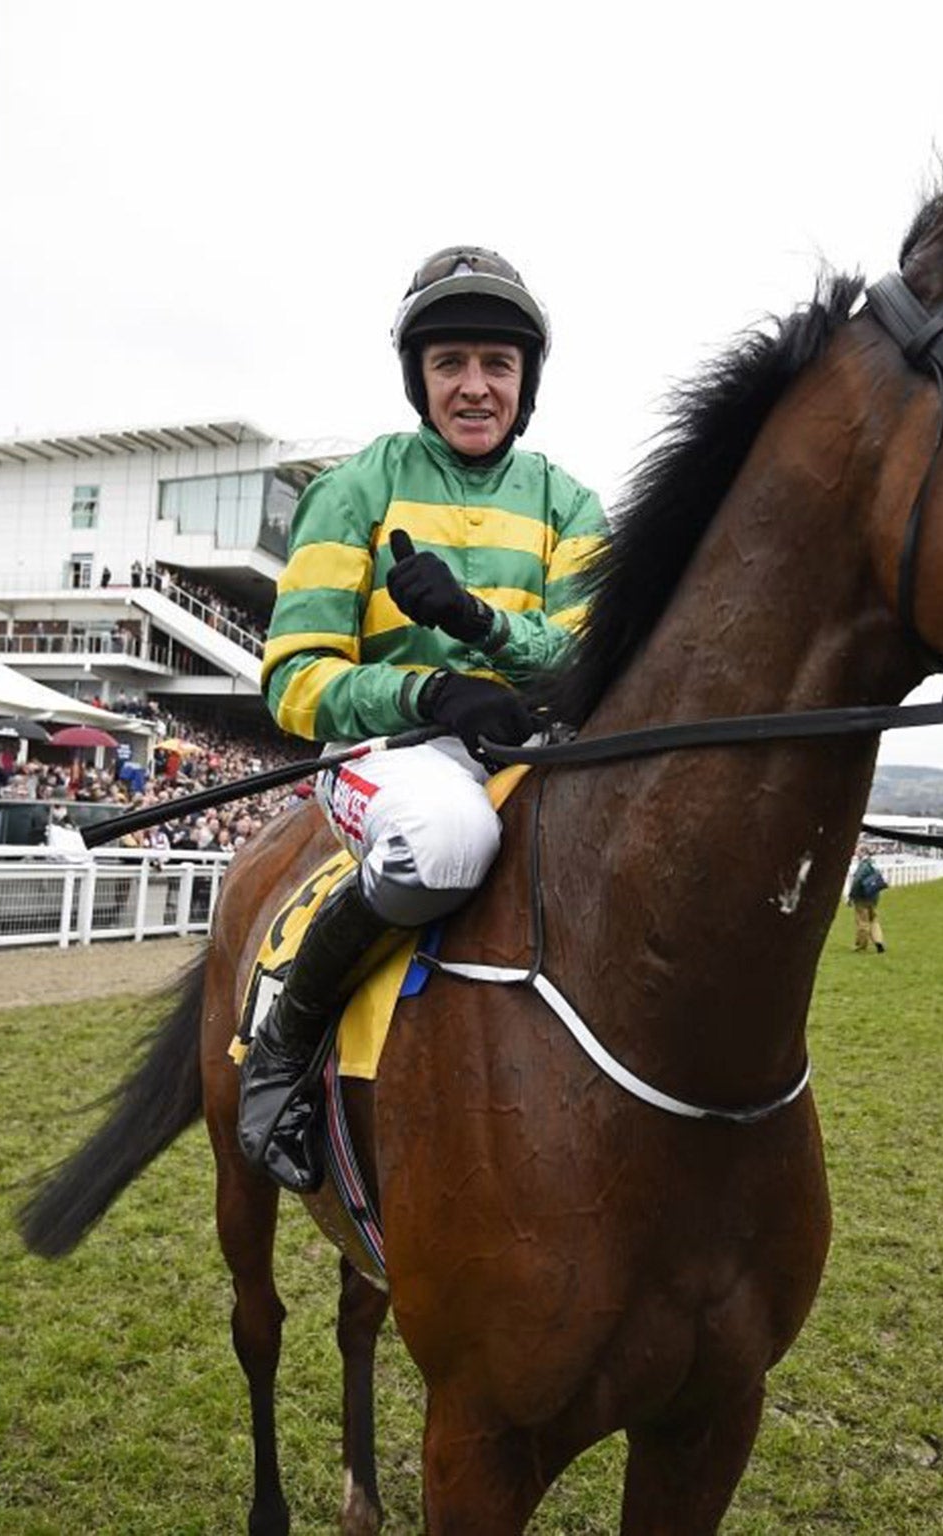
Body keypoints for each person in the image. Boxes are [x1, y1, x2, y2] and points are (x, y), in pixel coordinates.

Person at [239, 244, 608, 1193]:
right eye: (450, 364)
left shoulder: (572, 505)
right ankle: (286, 1040)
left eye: (497, 365)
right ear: (419, 378)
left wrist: (473, 624)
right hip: (387, 754)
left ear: (525, 383)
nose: (475, 387)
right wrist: (426, 693)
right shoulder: (353, 490)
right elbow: (293, 682)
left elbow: (582, 660)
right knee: (447, 840)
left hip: (536, 751)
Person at [849, 853, 889, 953]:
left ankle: (861, 945)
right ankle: (878, 941)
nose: (856, 853)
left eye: (858, 851)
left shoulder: (863, 865)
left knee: (863, 922)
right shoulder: (873, 863)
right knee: (873, 920)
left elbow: (857, 881)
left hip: (862, 898)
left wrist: (851, 896)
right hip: (873, 898)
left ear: (862, 852)